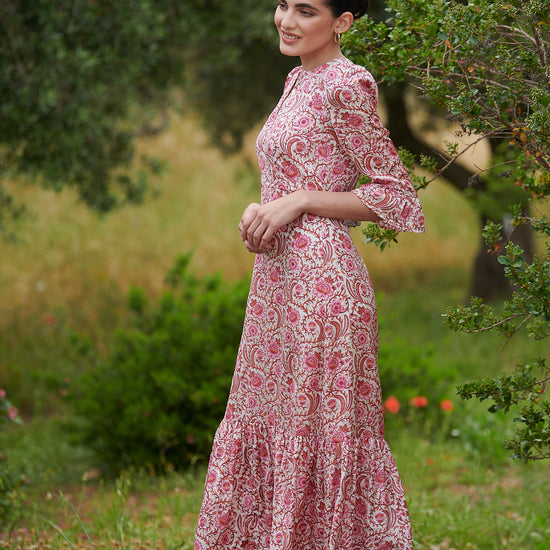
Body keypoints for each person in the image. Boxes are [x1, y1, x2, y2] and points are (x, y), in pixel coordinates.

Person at [194, 0, 424, 548]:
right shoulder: (298, 79)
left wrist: (297, 201)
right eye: (281, 4)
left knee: (316, 432)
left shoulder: (348, 82)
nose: (286, 20)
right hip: (276, 284)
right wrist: (264, 208)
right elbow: (300, 175)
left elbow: (397, 198)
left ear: (342, 22)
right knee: (271, 424)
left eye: (306, 10)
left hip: (322, 287)